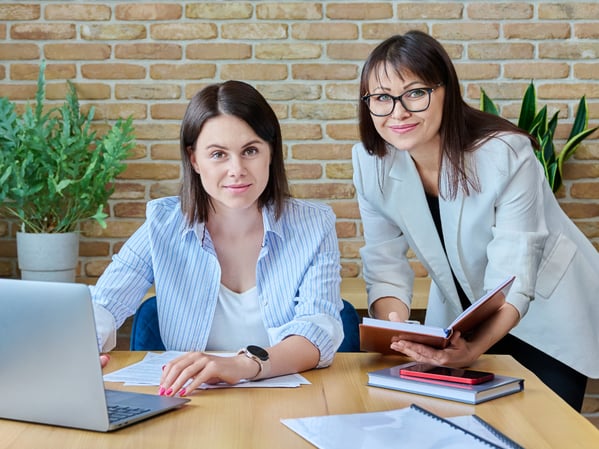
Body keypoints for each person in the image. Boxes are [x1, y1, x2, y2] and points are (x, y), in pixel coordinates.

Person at [352, 30, 599, 411]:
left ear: (445, 91)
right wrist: (399, 333)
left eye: (415, 93)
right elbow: (384, 263)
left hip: (545, 307)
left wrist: (473, 350)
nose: (397, 112)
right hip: (461, 314)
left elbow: (515, 274)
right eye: (382, 98)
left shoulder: (504, 154)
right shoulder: (371, 164)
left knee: (545, 432)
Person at [92, 80, 344, 397]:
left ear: (271, 153)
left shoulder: (314, 225)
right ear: (195, 159)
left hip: (287, 398)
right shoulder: (163, 225)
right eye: (218, 154)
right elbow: (103, 306)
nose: (236, 169)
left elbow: (319, 328)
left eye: (250, 151)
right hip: (192, 401)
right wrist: (78, 345)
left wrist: (243, 365)